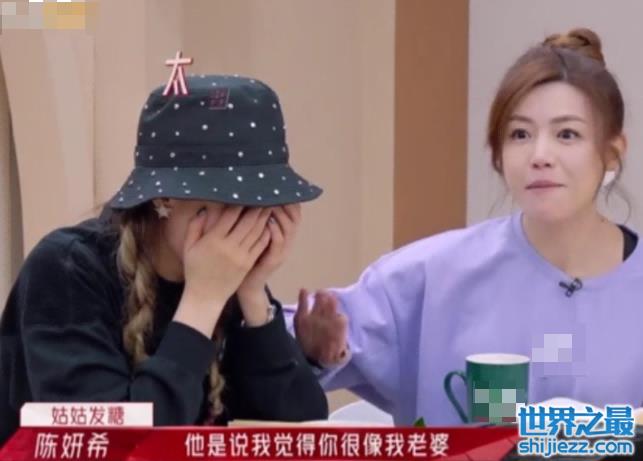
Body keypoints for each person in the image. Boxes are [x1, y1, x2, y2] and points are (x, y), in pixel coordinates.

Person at [292, 28, 643, 426]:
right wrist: (313, 353)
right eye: (520, 134)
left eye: (567, 134)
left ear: (612, 153)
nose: (540, 155)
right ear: (498, 153)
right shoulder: (432, 274)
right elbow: (279, 348)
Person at [0, 72, 328, 445]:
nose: (251, 224)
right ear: (165, 199)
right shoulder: (68, 268)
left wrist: (254, 298)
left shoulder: (228, 280)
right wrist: (202, 303)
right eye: (235, 201)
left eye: (266, 203)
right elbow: (114, 445)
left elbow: (301, 436)